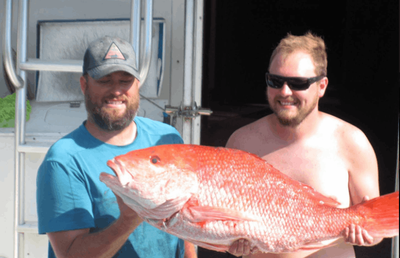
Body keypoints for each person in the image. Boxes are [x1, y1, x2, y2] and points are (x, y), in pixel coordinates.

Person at [36, 36, 197, 258]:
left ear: (137, 85)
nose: (116, 90)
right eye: (104, 80)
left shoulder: (167, 139)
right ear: (84, 85)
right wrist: (127, 222)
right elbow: (69, 254)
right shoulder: (64, 160)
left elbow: (184, 225)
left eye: (125, 80)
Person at [225, 32, 382, 258]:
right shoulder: (241, 142)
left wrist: (366, 233)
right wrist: (230, 242)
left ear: (322, 86)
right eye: (275, 81)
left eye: (298, 83)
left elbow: (377, 228)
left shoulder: (351, 142)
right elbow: (225, 220)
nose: (285, 92)